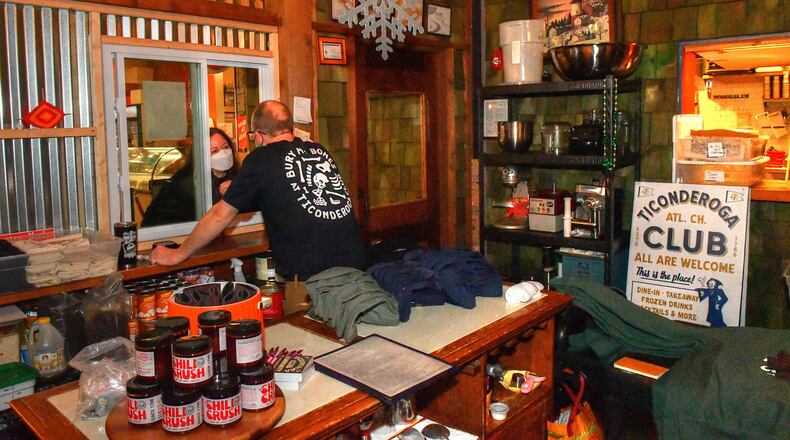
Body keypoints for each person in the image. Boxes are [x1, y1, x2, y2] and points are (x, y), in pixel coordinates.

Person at [150, 100, 367, 280]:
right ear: (290, 128)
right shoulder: (317, 150)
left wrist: (179, 253)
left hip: (316, 275)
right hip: (356, 262)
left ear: (259, 135)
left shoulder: (261, 158)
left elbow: (219, 215)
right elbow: (286, 194)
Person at [141, 127, 238, 227]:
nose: (223, 153)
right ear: (201, 156)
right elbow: (212, 216)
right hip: (171, 232)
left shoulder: (233, 174)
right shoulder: (189, 181)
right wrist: (226, 197)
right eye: (214, 151)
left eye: (225, 147)